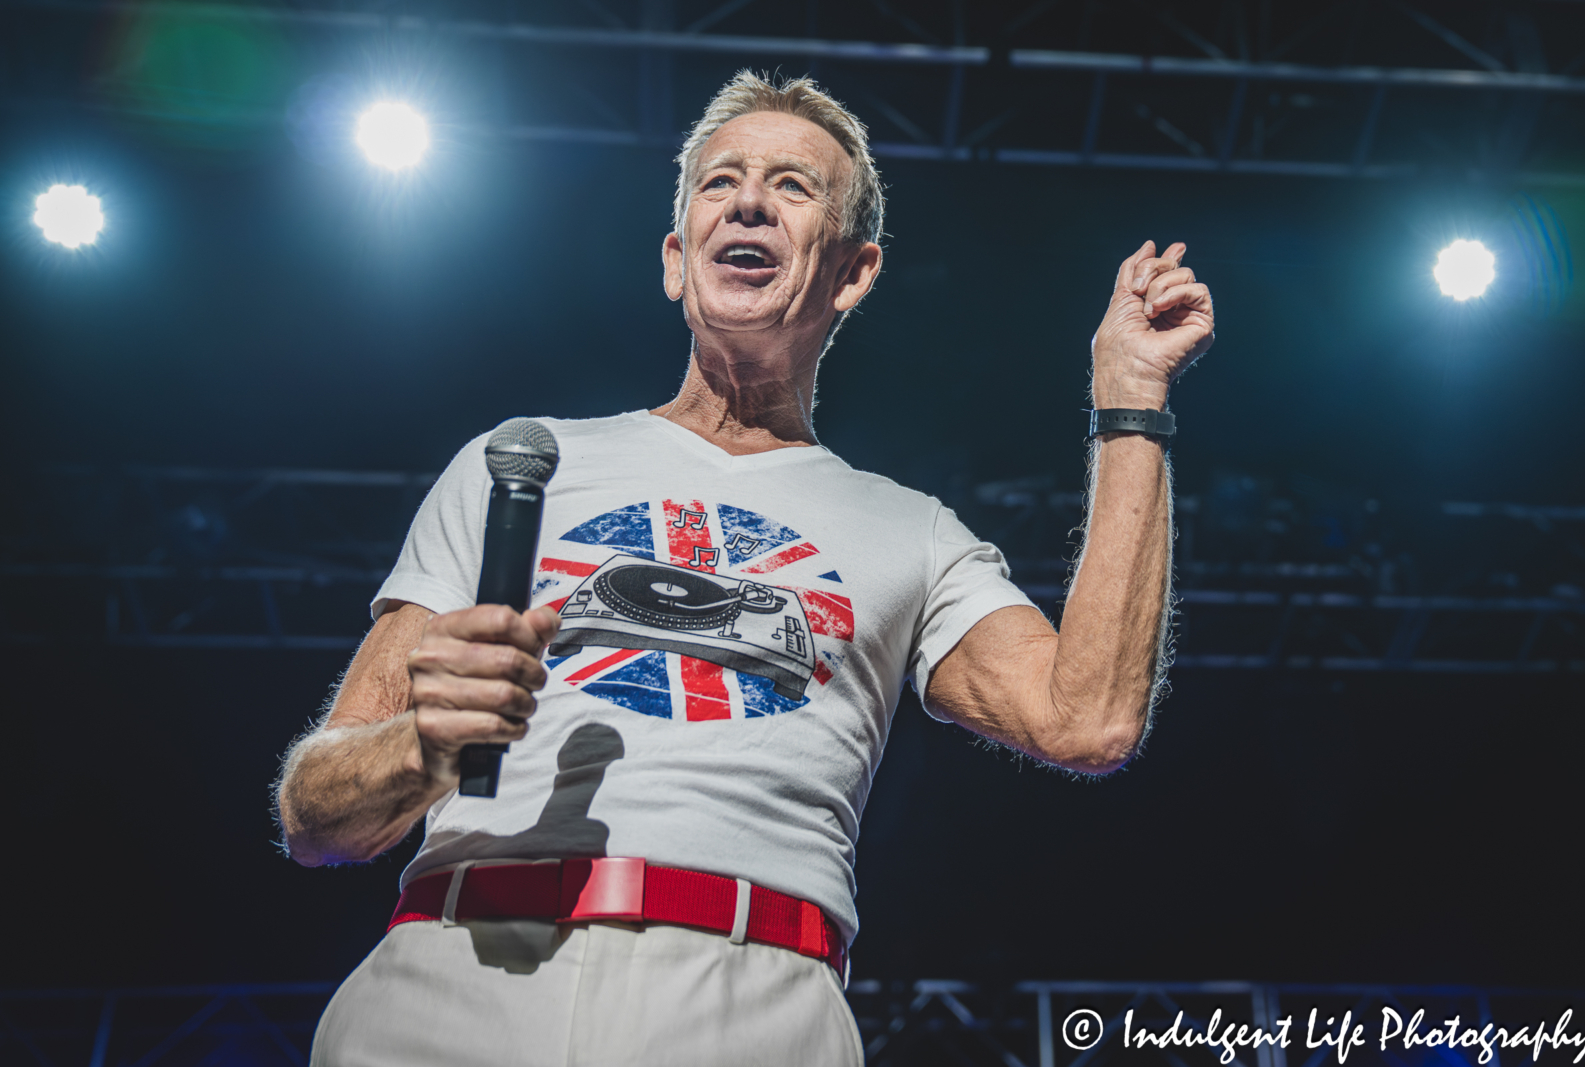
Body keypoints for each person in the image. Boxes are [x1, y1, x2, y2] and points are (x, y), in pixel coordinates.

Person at [276, 70, 1214, 1067]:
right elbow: (314, 814)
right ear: (678, 259)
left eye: (793, 186)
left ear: (853, 272)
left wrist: (1130, 400)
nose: (751, 200)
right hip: (451, 977)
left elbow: (1089, 715)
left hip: (752, 1001)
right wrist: (422, 738)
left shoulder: (912, 531)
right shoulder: (519, 462)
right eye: (720, 182)